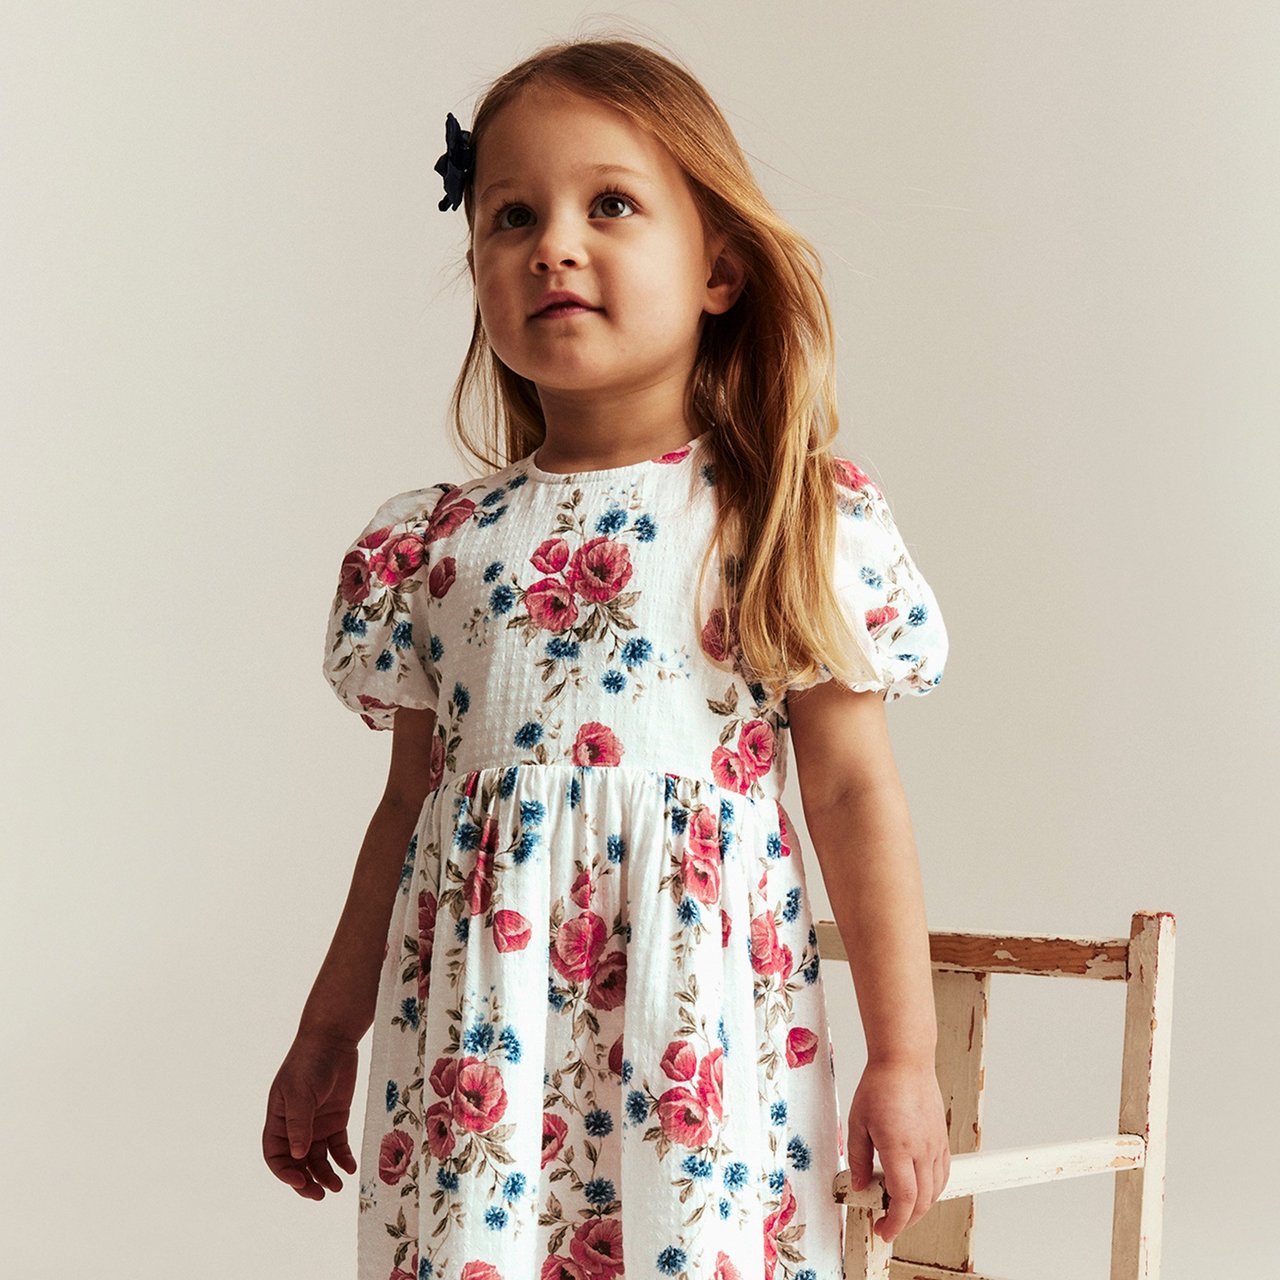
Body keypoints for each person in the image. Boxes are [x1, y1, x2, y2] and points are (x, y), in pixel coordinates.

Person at [263, 34, 951, 1280]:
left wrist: (902, 1058)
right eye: (509, 214)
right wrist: (326, 1027)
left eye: (610, 205)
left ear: (720, 270)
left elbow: (851, 793)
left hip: (696, 1042)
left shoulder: (784, 518)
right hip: (479, 1046)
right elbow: (406, 807)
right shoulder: (437, 542)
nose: (553, 245)